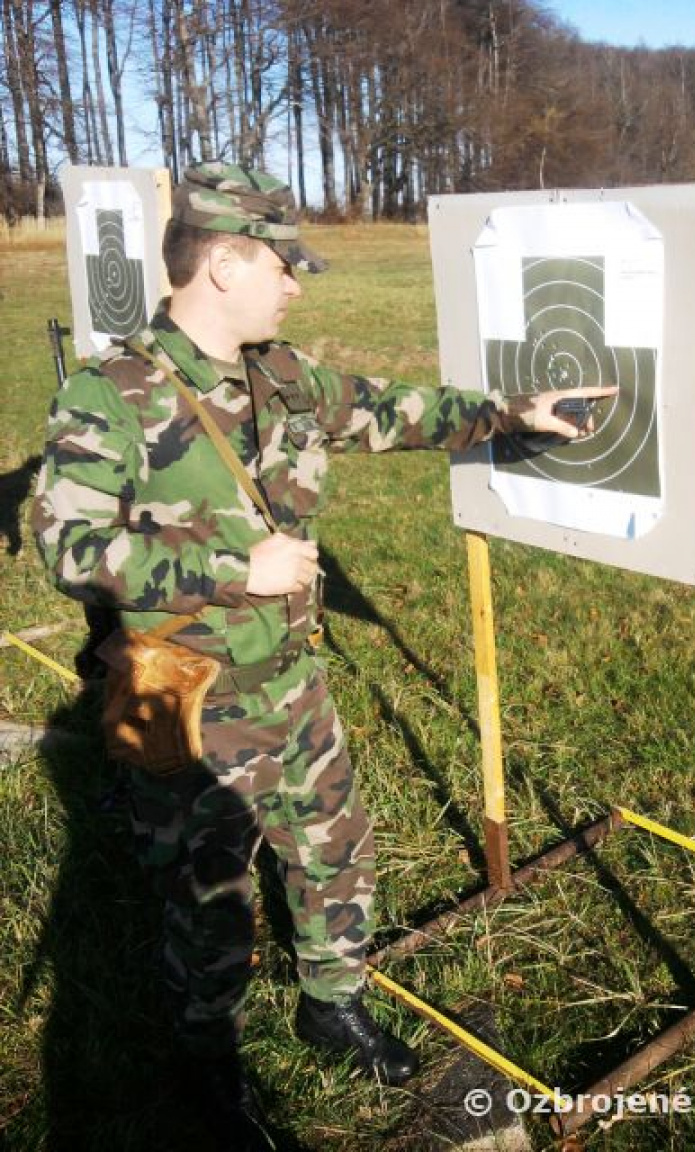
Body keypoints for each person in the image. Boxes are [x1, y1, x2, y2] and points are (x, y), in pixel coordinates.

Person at [31, 163, 614, 1150]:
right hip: (190, 700)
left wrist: (518, 412)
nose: (295, 285)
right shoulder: (111, 396)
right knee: (207, 896)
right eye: (283, 266)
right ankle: (208, 1064)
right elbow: (67, 549)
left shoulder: (284, 376)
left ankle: (331, 1005)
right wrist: (233, 568)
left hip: (293, 684)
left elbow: (398, 410)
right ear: (224, 264)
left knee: (335, 848)